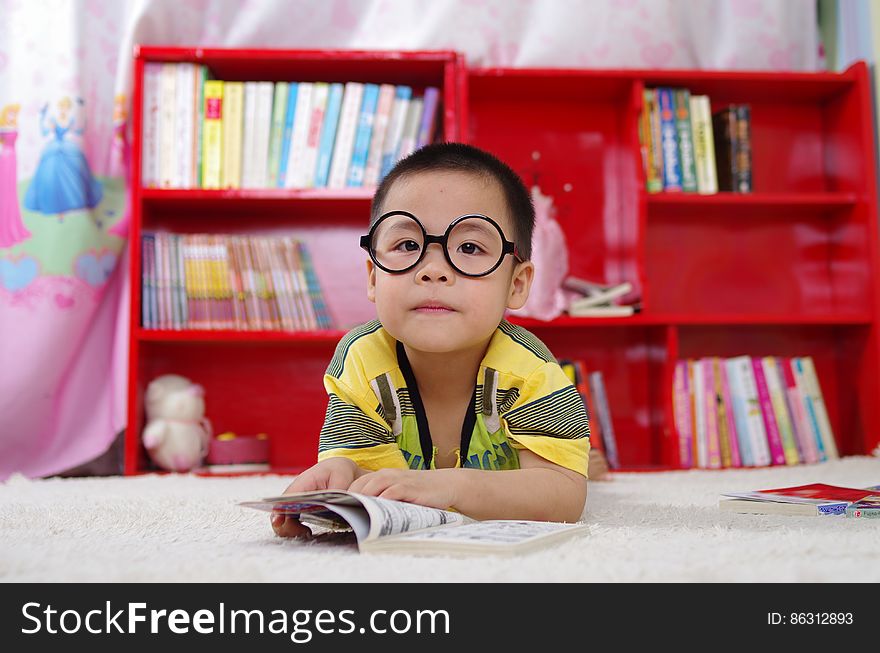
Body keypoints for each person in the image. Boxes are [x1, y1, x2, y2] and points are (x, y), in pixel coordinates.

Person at [273, 142, 590, 538]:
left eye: (470, 247)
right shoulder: (361, 360)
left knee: (580, 466)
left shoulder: (531, 371)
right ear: (373, 277)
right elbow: (370, 474)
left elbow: (565, 495)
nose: (434, 270)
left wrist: (450, 485)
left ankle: (587, 455)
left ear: (517, 284)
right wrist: (344, 474)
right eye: (408, 245)